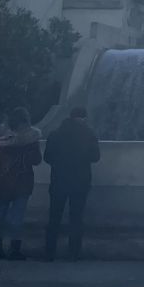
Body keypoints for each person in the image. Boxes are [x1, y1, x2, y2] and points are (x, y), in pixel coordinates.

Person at [42, 106, 100, 260]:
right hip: (80, 182)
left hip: (58, 180)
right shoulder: (89, 134)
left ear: (70, 116)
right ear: (84, 118)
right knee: (76, 218)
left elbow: (47, 157)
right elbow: (96, 157)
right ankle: (74, 253)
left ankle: (49, 253)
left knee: (54, 217)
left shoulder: (55, 134)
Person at [0, 107, 41, 261]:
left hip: (3, 180)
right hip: (22, 181)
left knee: (0, 214)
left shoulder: (2, 139)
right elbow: (37, 160)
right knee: (17, 216)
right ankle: (14, 249)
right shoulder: (32, 138)